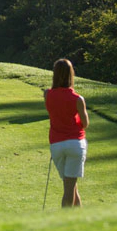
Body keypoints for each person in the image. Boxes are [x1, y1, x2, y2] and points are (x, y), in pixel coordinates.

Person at [44, 58, 90, 208]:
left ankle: (80, 218)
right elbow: (85, 123)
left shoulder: (47, 94)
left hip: (56, 145)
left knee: (71, 186)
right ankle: (66, 219)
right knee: (69, 189)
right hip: (75, 144)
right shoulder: (78, 99)